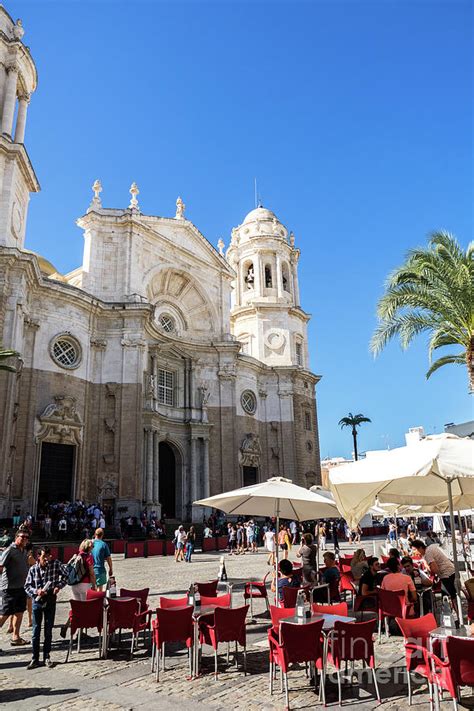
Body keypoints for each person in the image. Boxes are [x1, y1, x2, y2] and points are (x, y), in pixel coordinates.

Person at [24, 546, 68, 669]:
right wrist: (36, 591)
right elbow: (27, 586)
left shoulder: (56, 564)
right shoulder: (33, 569)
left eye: (48, 556)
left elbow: (66, 576)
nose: (47, 559)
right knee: (35, 631)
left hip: (50, 599)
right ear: (38, 557)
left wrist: (59, 586)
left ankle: (47, 656)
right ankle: (35, 658)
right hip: (37, 601)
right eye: (44, 557)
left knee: (48, 630)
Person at [0, 529, 31, 647]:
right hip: (9, 587)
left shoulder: (24, 551)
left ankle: (16, 637)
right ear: (16, 537)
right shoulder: (10, 550)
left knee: (19, 612)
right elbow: (0, 566)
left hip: (21, 587)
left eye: (26, 537)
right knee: (5, 613)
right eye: (22, 537)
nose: (24, 539)